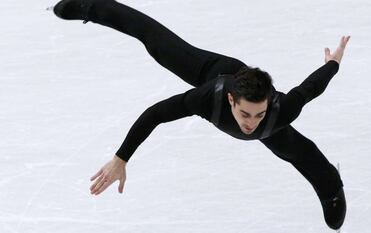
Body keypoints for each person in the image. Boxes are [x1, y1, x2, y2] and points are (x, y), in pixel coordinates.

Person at [53, 0, 350, 230]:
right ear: (232, 100)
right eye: (246, 114)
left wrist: (333, 64)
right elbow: (156, 114)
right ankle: (91, 5)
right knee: (156, 42)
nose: (250, 123)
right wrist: (121, 158)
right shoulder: (210, 98)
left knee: (298, 151)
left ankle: (332, 187)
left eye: (258, 115)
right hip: (212, 69)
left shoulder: (279, 111)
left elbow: (310, 88)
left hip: (261, 103)